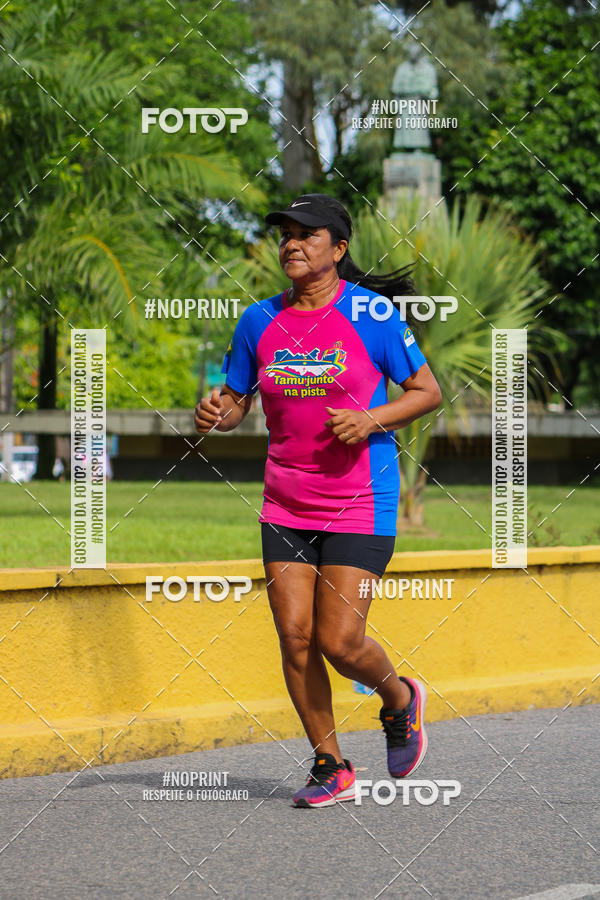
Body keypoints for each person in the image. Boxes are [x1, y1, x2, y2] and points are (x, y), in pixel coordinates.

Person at [194, 194, 442, 809]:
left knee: (339, 641)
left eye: (308, 234)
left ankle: (400, 699)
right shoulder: (258, 321)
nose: (292, 245)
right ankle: (330, 763)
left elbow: (426, 391)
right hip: (285, 501)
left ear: (339, 247)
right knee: (296, 637)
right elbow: (237, 400)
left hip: (360, 499)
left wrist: (371, 418)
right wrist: (216, 413)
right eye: (285, 235)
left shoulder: (372, 314)